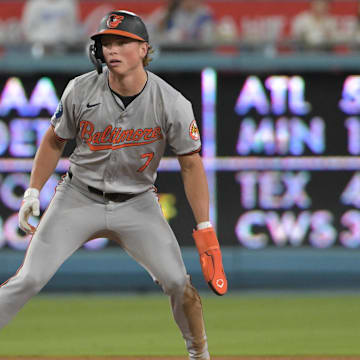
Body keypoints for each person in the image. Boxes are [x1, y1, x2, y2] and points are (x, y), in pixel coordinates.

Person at [0, 10, 227, 360]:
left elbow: (191, 163)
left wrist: (204, 225)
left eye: (122, 42)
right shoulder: (80, 89)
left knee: (178, 283)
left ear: (144, 50)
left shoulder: (171, 102)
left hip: (137, 203)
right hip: (77, 197)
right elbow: (53, 141)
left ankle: (200, 354)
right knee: (28, 279)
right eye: (106, 42)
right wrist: (33, 190)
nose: (112, 50)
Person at [147, 0, 215, 48]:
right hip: (172, 50)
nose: (191, 2)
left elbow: (208, 35)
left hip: (199, 51)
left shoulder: (204, 13)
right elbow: (151, 31)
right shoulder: (169, 12)